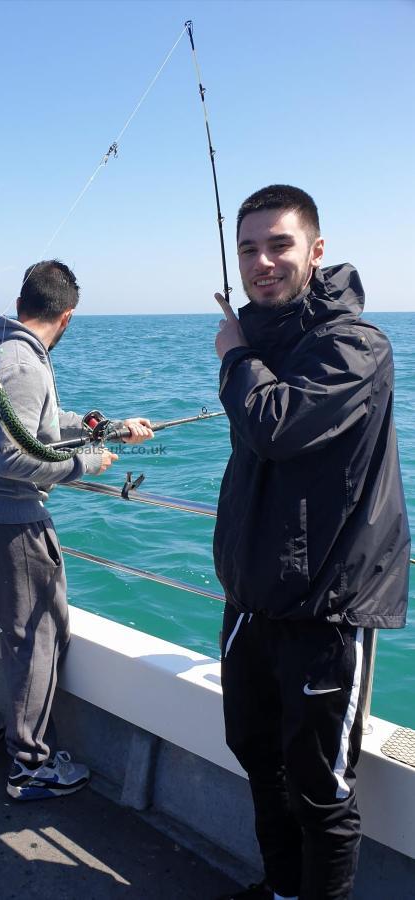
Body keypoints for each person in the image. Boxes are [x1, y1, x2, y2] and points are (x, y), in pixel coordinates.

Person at [212, 186, 410, 900]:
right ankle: (280, 888)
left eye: (278, 245)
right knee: (255, 756)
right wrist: (245, 350)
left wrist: (233, 353)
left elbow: (275, 425)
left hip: (325, 608)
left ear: (315, 251)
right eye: (247, 249)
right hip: (251, 599)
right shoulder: (261, 342)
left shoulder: (355, 345)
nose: (261, 262)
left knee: (320, 790)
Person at [0, 259, 153, 800]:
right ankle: (29, 766)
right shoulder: (24, 364)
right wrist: (86, 464)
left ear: (20, 306)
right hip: (7, 520)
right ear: (67, 316)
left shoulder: (1, 353)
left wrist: (105, 430)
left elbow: (39, 428)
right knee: (36, 636)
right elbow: (15, 459)